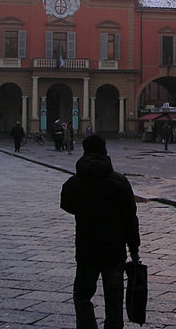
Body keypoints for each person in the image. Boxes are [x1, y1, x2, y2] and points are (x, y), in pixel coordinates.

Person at [60, 134, 141, 329]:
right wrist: (134, 249)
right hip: (114, 251)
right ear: (105, 151)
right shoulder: (119, 181)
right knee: (114, 298)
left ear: (85, 151)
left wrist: (85, 210)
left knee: (82, 295)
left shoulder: (75, 182)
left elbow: (66, 205)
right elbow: (131, 218)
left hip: (86, 248)